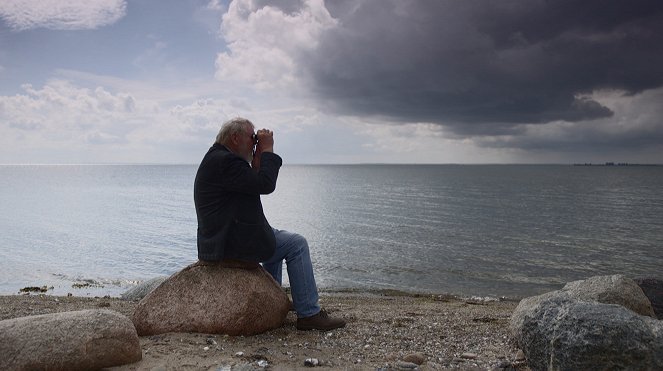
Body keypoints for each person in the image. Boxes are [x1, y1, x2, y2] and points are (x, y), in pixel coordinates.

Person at [194, 117, 346, 331]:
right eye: (252, 138)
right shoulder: (226, 162)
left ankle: (273, 303)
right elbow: (266, 185)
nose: (255, 142)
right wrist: (268, 150)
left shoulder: (218, 158)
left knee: (271, 240)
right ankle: (309, 314)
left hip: (221, 239)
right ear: (235, 138)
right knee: (296, 244)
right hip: (228, 244)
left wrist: (257, 159)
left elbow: (253, 183)